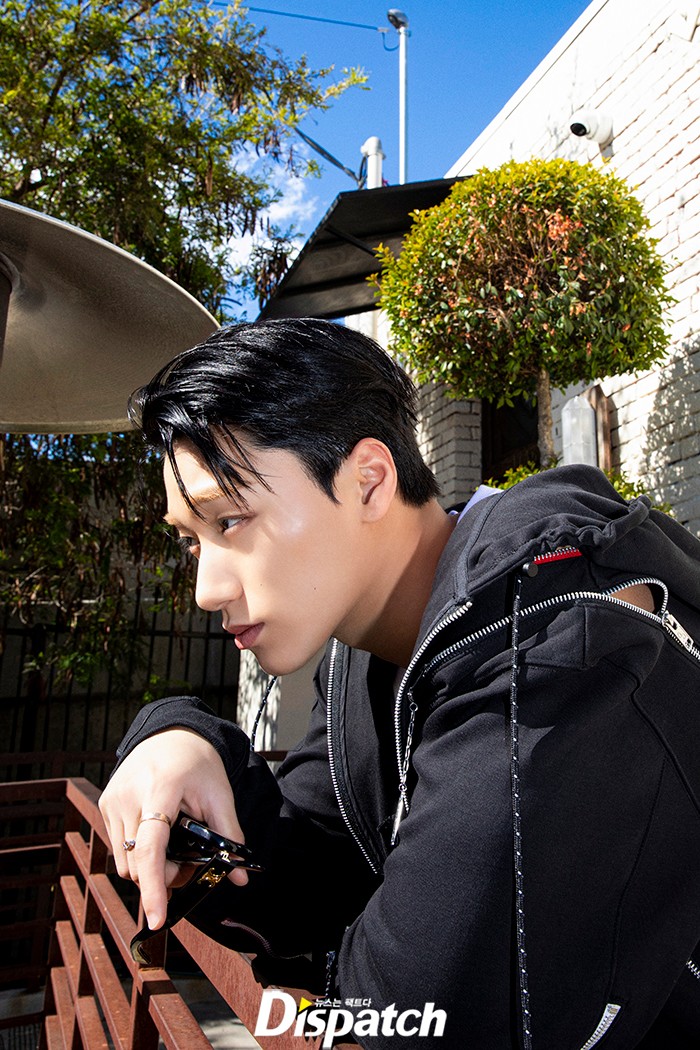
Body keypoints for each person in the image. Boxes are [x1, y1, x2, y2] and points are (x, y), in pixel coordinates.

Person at [100, 317, 700, 1049]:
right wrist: (177, 738)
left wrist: (336, 963)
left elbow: (421, 1010)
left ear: (368, 481)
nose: (205, 589)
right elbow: (308, 874)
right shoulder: (363, 653)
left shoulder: (552, 637)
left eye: (230, 520)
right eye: (192, 540)